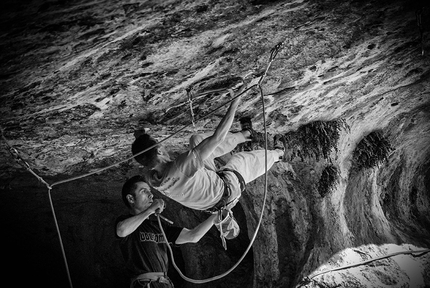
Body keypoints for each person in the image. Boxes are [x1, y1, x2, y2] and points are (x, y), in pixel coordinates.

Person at [131, 89, 285, 241]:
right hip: (227, 190)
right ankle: (279, 154)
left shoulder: (152, 178)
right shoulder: (182, 165)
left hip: (206, 188)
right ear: (159, 151)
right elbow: (218, 137)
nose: (164, 147)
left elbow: (145, 156)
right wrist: (235, 102)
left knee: (196, 140)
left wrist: (141, 136)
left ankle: (246, 135)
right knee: (241, 161)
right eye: (161, 146)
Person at [116, 175, 218, 288]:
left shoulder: (160, 227)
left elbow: (193, 236)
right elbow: (121, 231)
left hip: (164, 284)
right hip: (144, 285)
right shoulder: (124, 221)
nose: (151, 195)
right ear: (131, 199)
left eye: (150, 191)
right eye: (144, 191)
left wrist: (216, 216)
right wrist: (150, 210)